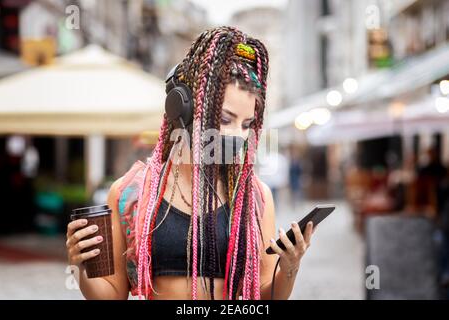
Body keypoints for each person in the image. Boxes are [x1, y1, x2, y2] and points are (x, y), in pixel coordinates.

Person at [66, 26, 315, 300]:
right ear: (182, 109)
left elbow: (266, 297)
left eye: (246, 125)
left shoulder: (255, 198)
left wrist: (290, 267)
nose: (237, 136)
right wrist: (80, 266)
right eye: (224, 119)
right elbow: (111, 297)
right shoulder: (131, 193)